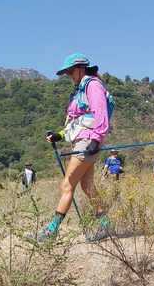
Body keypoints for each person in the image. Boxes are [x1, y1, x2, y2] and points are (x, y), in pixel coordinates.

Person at [33, 53, 114, 242]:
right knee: (87, 186)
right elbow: (76, 122)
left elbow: (100, 113)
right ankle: (107, 226)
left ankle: (51, 232)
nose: (69, 75)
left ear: (82, 68)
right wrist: (59, 135)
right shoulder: (80, 90)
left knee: (66, 185)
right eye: (67, 72)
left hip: (88, 142)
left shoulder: (92, 85)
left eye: (71, 71)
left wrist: (96, 139)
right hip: (82, 140)